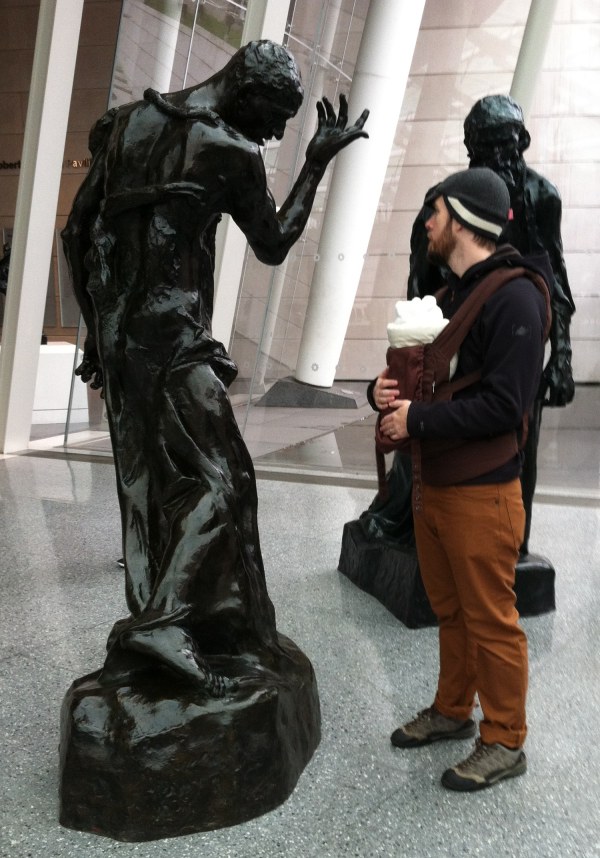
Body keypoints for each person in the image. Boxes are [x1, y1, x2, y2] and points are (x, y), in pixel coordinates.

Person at [62, 40, 368, 694]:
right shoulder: (229, 151)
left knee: (160, 485)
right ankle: (167, 623)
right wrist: (315, 164)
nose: (279, 130)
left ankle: (184, 620)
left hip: (124, 339)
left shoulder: (125, 124)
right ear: (244, 88)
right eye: (278, 115)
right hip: (173, 339)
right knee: (222, 483)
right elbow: (275, 243)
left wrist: (95, 333)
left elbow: (75, 232)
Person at [372, 167, 550, 791]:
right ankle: (454, 712)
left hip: (482, 493)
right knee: (452, 611)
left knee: (491, 619)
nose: (426, 223)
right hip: (435, 485)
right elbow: (426, 376)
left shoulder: (516, 297)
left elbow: (506, 406)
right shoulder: (454, 295)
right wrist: (382, 390)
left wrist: (415, 416)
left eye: (434, 211)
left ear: (463, 218)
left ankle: (505, 740)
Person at [407, 94, 575, 555]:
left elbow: (554, 275)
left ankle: (511, 544)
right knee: (439, 423)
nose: (494, 158)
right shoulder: (445, 200)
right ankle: (425, 523)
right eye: (481, 148)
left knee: (522, 431)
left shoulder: (541, 197)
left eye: (503, 145)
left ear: (521, 141)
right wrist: (413, 355)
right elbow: (420, 278)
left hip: (518, 326)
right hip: (454, 325)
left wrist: (562, 354)